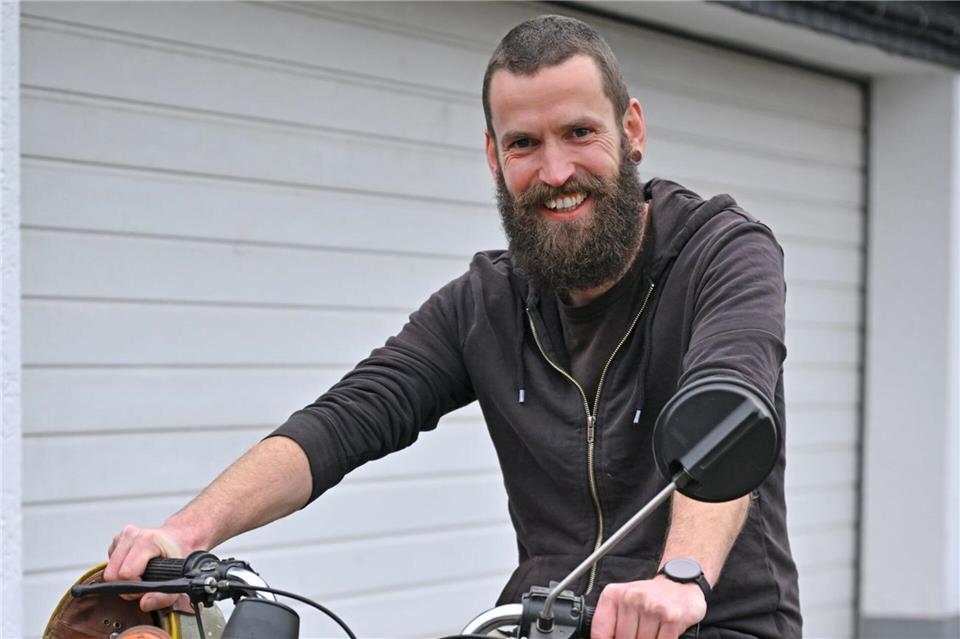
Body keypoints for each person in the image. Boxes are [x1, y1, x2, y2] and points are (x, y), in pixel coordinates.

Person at [105, 15, 801, 639]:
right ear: (496, 159)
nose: (556, 169)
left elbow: (729, 407)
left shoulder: (723, 252)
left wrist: (681, 577)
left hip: (711, 622)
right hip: (544, 623)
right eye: (525, 143)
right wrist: (185, 530)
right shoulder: (486, 302)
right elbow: (348, 417)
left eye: (579, 132)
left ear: (632, 130)